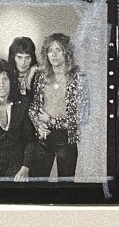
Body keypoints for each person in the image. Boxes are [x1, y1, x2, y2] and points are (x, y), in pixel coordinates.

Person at [28, 33, 89, 179]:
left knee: (65, 187)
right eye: (50, 51)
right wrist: (38, 123)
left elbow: (82, 117)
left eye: (58, 50)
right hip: (43, 137)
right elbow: (33, 109)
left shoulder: (79, 79)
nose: (54, 55)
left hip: (66, 139)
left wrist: (51, 120)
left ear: (66, 53)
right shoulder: (41, 77)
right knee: (38, 185)